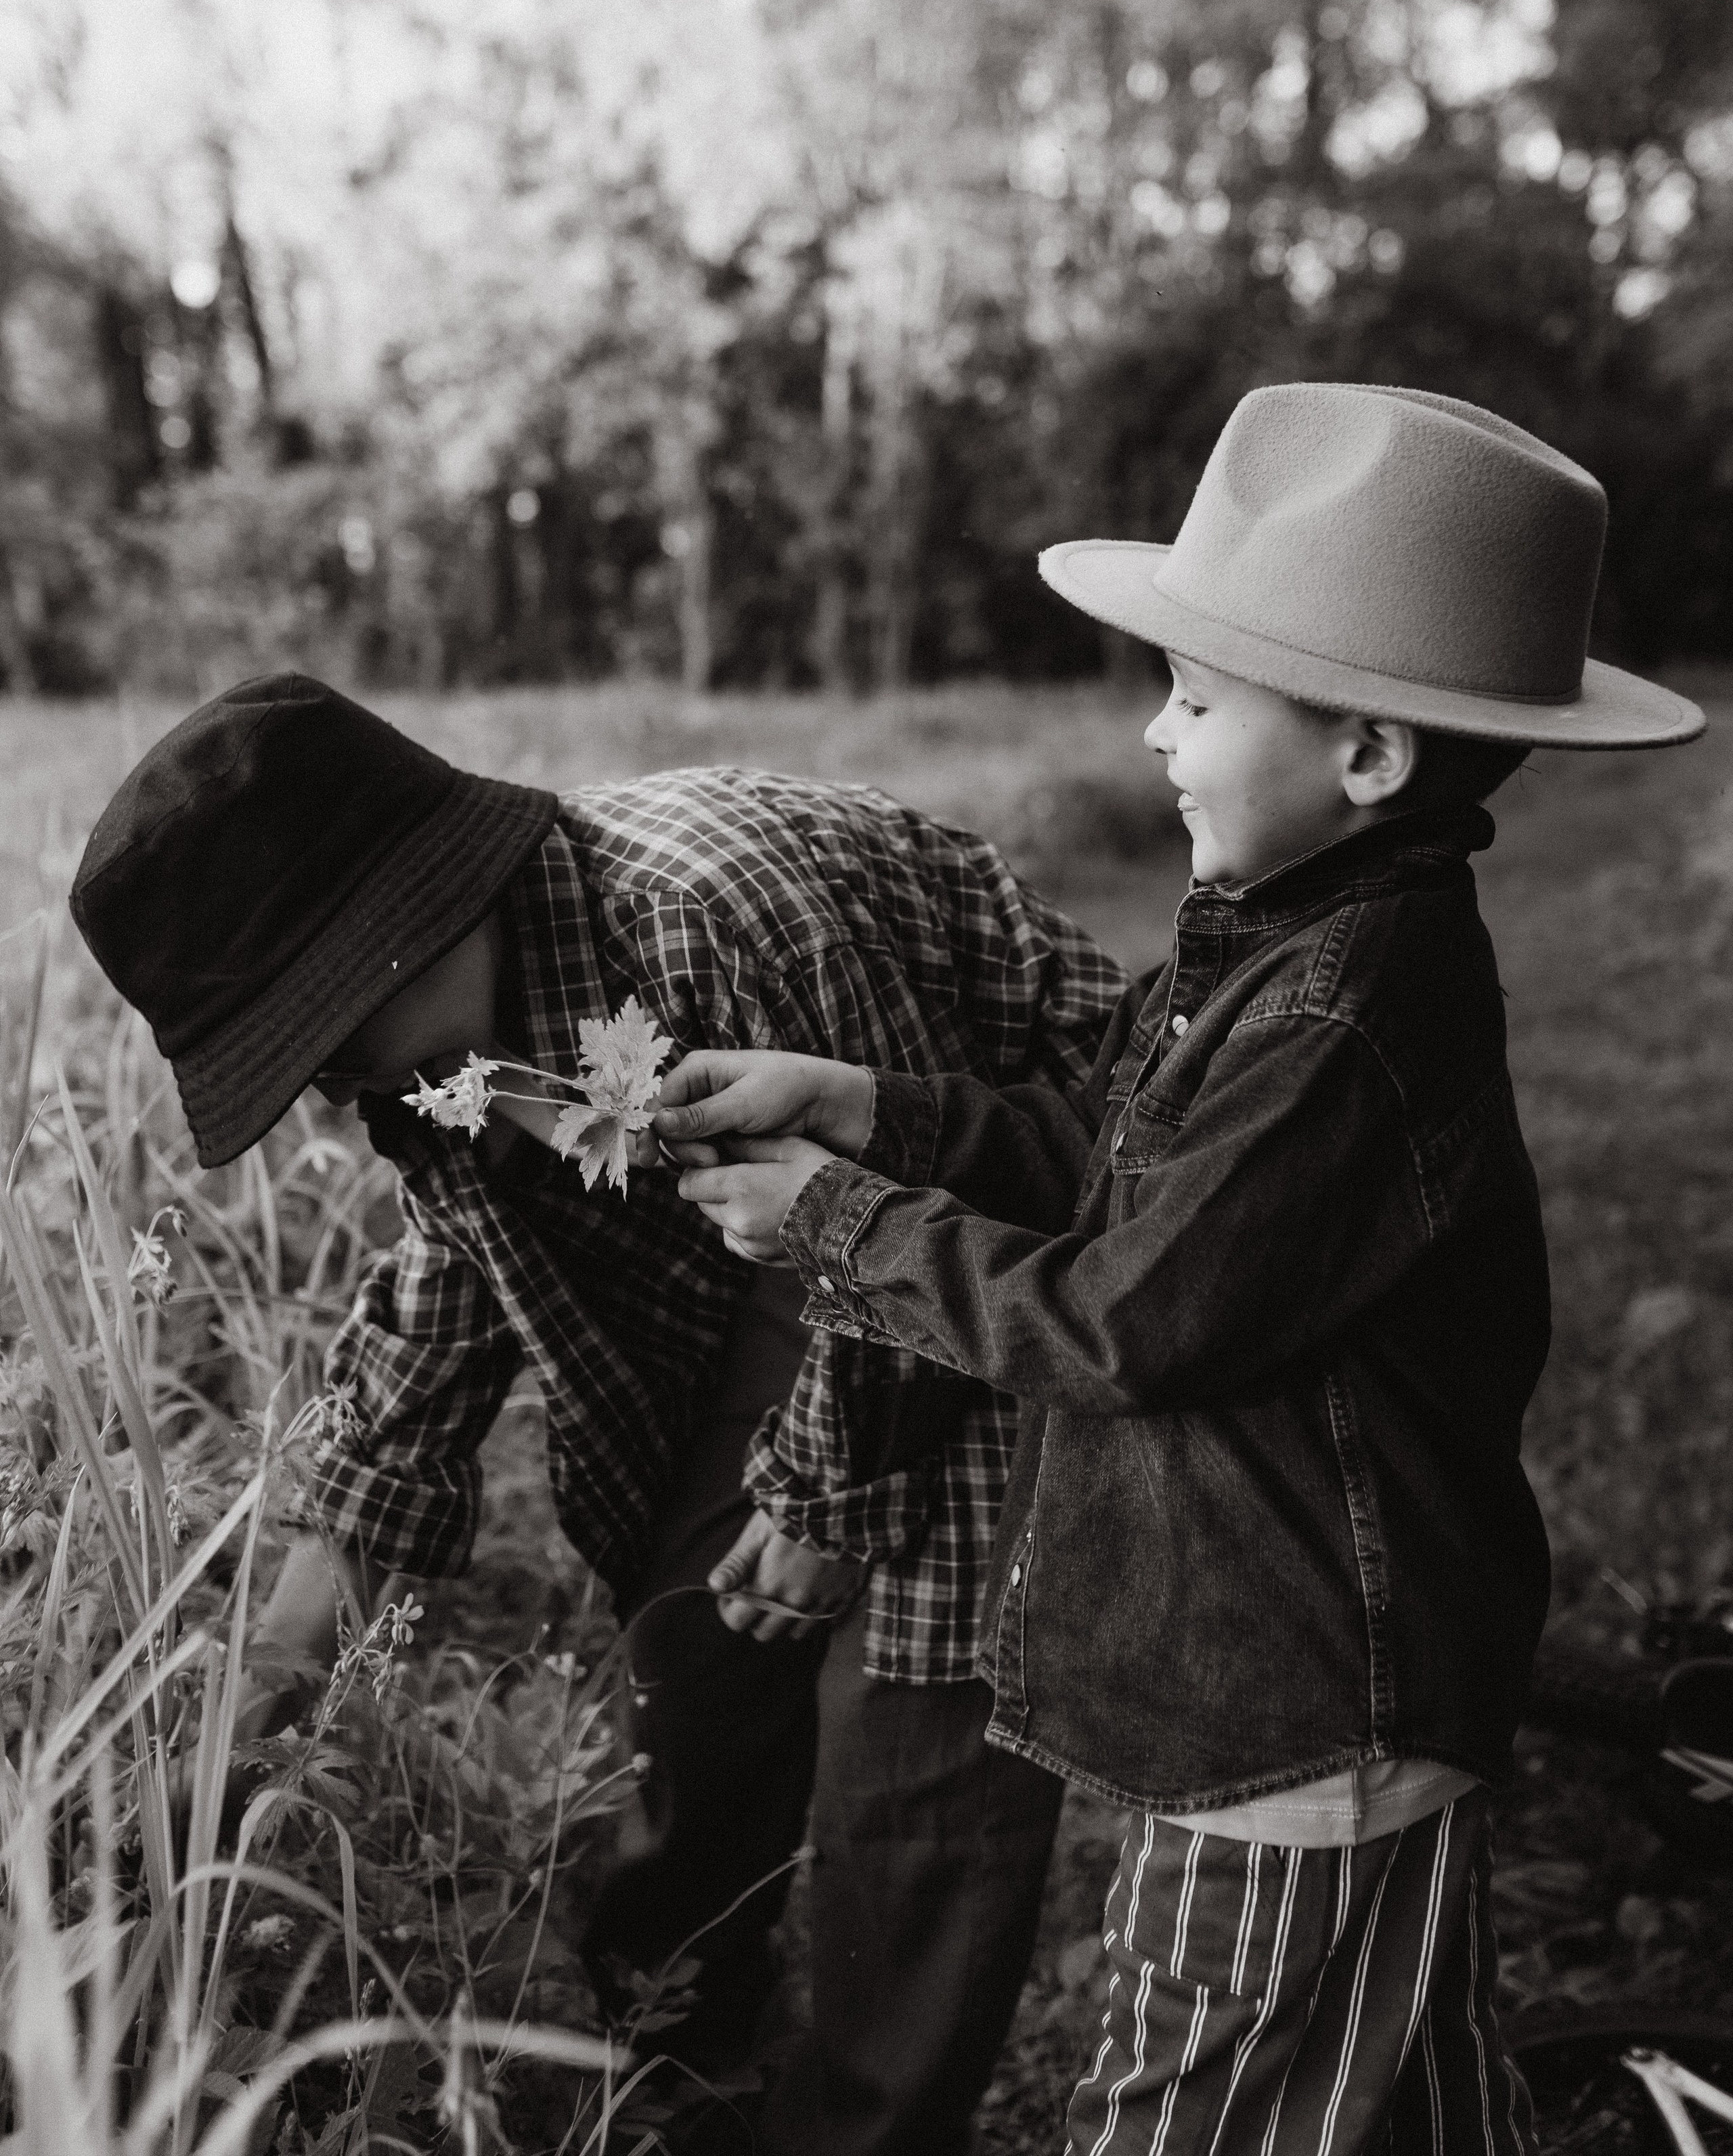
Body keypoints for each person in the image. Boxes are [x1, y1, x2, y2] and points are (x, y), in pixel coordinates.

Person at [650, 383, 1705, 2155]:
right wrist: (866, 1106)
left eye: (1198, 699)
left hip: (1294, 1721)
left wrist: (830, 1221)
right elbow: (1113, 1161)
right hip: (1306, 1698)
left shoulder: (1344, 1006)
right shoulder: (1298, 941)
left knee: (1183, 2101)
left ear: (1366, 757)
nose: (1154, 734)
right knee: (1399, 2104)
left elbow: (1128, 1316)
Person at [68, 680, 1128, 2155]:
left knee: (915, 1730)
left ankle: (869, 2120)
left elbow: (924, 1206)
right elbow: (427, 1346)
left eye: (318, 1026)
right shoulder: (433, 1070)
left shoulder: (713, 911)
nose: (322, 1084)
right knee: (695, 1656)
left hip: (1023, 1251)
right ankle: (665, 2076)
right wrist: (242, 1730)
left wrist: (829, 1504)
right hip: (767, 1271)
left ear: (427, 911)